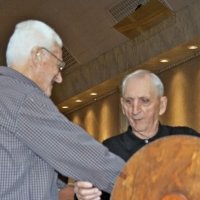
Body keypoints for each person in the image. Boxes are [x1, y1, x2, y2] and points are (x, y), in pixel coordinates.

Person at [0, 19, 125, 200]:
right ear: (38, 56)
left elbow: (25, 176)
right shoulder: (22, 97)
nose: (59, 78)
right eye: (59, 65)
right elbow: (81, 153)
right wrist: (146, 182)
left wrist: (74, 192)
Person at [74, 69, 200, 200]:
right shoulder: (110, 150)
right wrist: (81, 195)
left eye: (144, 101)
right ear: (123, 106)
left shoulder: (186, 140)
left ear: (162, 105)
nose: (135, 110)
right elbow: (93, 194)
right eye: (129, 101)